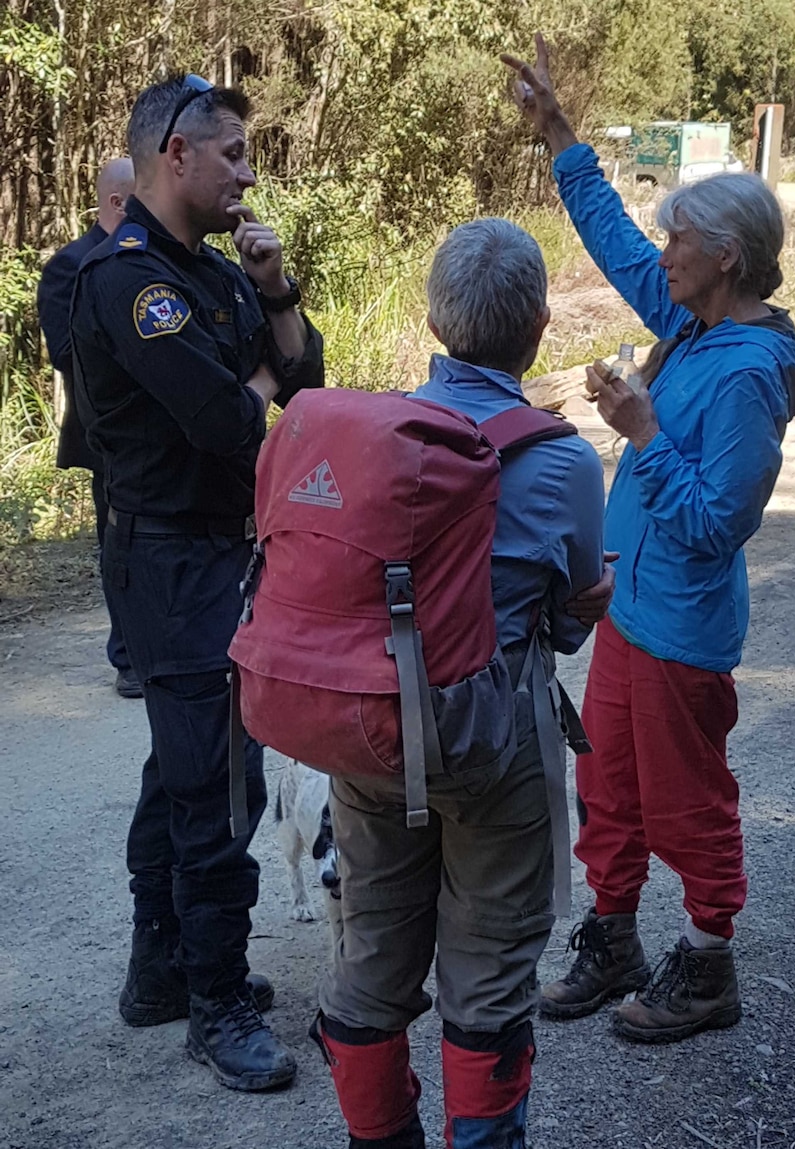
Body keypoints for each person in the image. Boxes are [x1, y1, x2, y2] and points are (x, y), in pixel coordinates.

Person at [503, 36, 795, 1042]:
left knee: (687, 802)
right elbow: (615, 245)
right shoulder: (692, 323)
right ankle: (614, 935)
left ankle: (709, 962)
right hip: (630, 606)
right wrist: (559, 138)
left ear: (724, 257)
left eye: (679, 241)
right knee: (612, 788)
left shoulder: (747, 370)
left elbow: (721, 524)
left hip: (681, 624)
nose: (661, 253)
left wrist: (640, 430)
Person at [310, 217, 606, 1149]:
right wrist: (576, 609)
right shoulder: (561, 458)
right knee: (485, 975)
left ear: (437, 322)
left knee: (371, 956)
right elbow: (560, 621)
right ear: (540, 327)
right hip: (494, 742)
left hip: (372, 733)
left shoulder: (371, 429)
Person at [70, 74, 324, 1090]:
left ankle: (159, 967)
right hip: (169, 557)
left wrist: (275, 295)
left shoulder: (218, 278)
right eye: (232, 153)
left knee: (180, 763)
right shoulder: (126, 282)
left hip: (222, 548)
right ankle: (215, 998)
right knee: (223, 778)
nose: (248, 174)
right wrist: (252, 391)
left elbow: (300, 381)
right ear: (175, 153)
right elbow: (229, 426)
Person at [37, 157, 142, 699]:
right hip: (105, 435)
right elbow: (65, 351)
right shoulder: (69, 266)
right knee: (118, 544)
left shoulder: (155, 260)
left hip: (161, 437)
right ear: (120, 202)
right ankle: (127, 658)